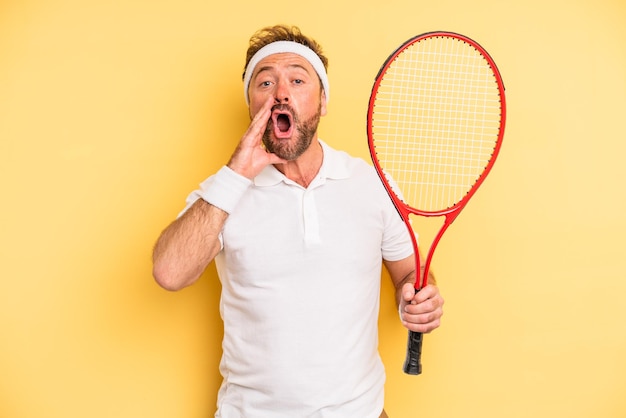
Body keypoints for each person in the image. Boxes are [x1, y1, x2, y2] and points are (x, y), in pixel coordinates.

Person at [152, 24, 444, 418]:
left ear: (322, 101)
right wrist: (237, 173)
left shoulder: (372, 185)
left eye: (297, 78)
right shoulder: (222, 194)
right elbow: (169, 273)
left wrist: (418, 297)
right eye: (265, 82)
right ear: (252, 107)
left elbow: (408, 271)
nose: (281, 92)